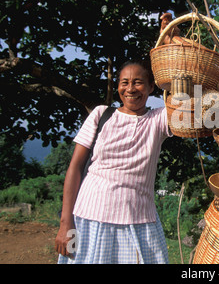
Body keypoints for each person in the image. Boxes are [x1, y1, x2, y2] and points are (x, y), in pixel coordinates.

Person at [55, 60, 172, 264]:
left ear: (152, 86)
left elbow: (189, 106)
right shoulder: (101, 114)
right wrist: (66, 223)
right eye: (124, 82)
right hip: (89, 217)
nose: (130, 89)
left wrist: (171, 47)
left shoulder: (158, 119)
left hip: (139, 220)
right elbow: (74, 167)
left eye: (138, 82)